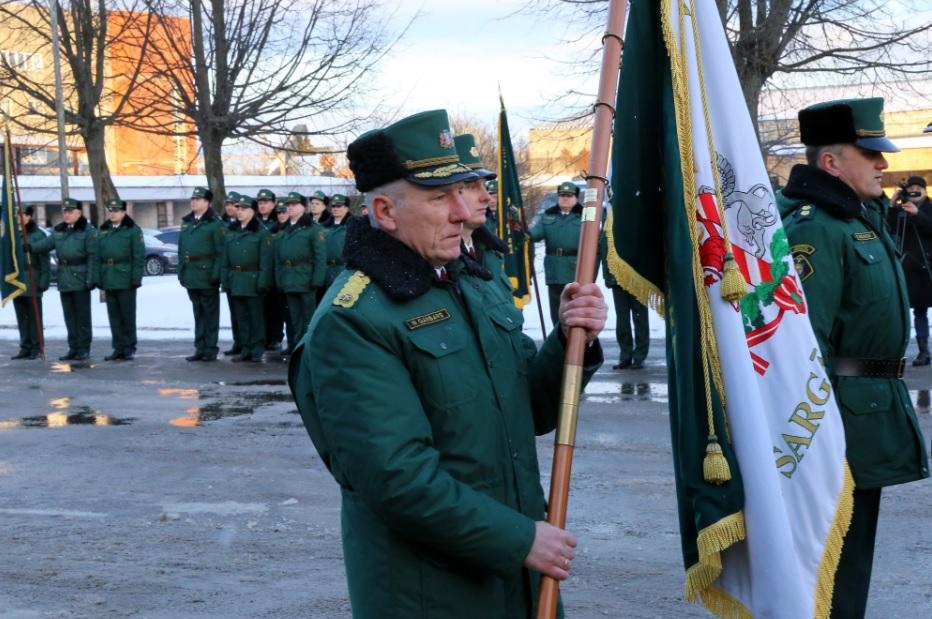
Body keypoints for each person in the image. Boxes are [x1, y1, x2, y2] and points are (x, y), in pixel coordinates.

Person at [288, 109, 607, 618]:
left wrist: (570, 338)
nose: (463, 212)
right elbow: (397, 478)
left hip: (516, 576)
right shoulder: (354, 320)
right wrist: (520, 538)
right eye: (440, 197)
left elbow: (531, 407)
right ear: (386, 213)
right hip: (432, 592)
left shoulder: (473, 284)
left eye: (461, 192)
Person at [778, 97, 929, 618]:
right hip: (835, 424)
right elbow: (803, 349)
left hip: (866, 414)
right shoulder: (816, 227)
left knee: (851, 569)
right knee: (833, 578)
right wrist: (814, 437)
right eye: (872, 154)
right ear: (831, 163)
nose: (885, 164)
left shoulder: (855, 218)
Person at [30, 198, 98, 361]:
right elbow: (46, 244)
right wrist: (30, 247)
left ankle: (83, 348)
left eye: (70, 212)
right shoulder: (60, 231)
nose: (66, 215)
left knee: (82, 317)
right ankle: (73, 348)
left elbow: (93, 257)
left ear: (79, 213)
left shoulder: (88, 231)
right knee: (69, 316)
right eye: (65, 212)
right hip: (64, 278)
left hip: (81, 278)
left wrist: (91, 279)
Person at [454, 133, 512, 296]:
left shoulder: (487, 250)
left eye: (484, 186)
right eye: (473, 187)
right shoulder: (443, 263)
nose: (486, 197)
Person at [221, 194, 273, 363]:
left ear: (253, 211)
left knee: (255, 317)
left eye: (244, 209)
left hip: (253, 278)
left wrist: (262, 281)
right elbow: (225, 259)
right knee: (241, 317)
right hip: (236, 279)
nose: (240, 212)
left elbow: (266, 261)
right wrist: (226, 280)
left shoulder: (261, 233)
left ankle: (257, 348)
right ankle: (245, 348)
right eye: (239, 208)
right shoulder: (232, 231)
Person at [887, 175, 932, 366]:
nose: (914, 190)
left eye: (918, 187)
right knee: (918, 311)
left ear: (925, 190)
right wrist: (891, 205)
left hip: (929, 264)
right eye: (911, 188)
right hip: (910, 267)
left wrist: (917, 214)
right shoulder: (901, 209)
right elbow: (890, 228)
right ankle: (924, 352)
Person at [275, 192, 326, 353]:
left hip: (305, 278)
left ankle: (308, 347)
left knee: (308, 317)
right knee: (293, 317)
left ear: (303, 207)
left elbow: (319, 256)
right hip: (289, 278)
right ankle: (296, 345)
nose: (290, 207)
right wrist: (279, 279)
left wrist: (317, 279)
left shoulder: (312, 229)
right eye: (288, 205)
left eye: (294, 205)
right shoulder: (285, 230)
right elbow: (279, 257)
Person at [178, 186, 223, 362]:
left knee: (210, 314)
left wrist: (216, 274)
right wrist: (181, 271)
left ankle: (210, 348)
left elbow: (220, 251)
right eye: (193, 199)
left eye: (198, 199)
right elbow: (182, 248)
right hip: (191, 274)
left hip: (207, 274)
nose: (194, 202)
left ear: (207, 202)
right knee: (198, 313)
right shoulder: (188, 222)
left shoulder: (215, 223)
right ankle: (200, 347)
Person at [97, 198, 145, 361]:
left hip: (125, 277)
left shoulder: (132, 230)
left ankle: (129, 347)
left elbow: (138, 256)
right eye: (111, 210)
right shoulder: (104, 230)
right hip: (109, 276)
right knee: (114, 316)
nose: (113, 213)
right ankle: (118, 347)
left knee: (127, 315)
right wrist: (99, 277)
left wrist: (136, 278)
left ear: (124, 212)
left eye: (116, 210)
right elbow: (98, 255)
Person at [530, 182, 582, 326]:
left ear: (576, 198)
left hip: (575, 270)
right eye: (562, 195)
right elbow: (533, 235)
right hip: (555, 271)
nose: (565, 198)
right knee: (557, 312)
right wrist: (519, 227)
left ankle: (575, 345)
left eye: (569, 195)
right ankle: (558, 343)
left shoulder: (584, 216)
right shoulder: (548, 216)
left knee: (575, 311)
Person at [599, 231, 649, 370]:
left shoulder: (636, 217)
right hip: (617, 276)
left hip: (637, 275)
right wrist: (606, 275)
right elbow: (604, 249)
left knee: (640, 317)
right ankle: (625, 355)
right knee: (622, 318)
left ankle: (640, 356)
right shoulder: (608, 218)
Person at [11, 205, 50, 360]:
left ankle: (36, 346)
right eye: (18, 215)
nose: (21, 218)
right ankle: (25, 346)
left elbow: (44, 261)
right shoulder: (13, 234)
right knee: (21, 316)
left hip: (32, 277)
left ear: (29, 216)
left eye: (24, 214)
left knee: (34, 316)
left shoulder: (38, 235)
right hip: (17, 279)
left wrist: (44, 280)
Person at [256, 188, 285, 352]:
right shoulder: (256, 222)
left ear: (273, 204)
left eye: (266, 202)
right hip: (260, 270)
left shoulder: (280, 220)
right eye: (260, 202)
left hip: (275, 271)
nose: (262, 205)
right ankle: (264, 337)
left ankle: (275, 337)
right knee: (262, 307)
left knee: (275, 308)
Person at [220, 191, 243, 356]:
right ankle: (238, 342)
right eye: (227, 204)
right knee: (234, 312)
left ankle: (249, 343)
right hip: (230, 273)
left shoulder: (245, 225)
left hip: (245, 273)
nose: (229, 207)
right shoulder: (222, 224)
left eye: (233, 204)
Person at [322, 193, 352, 293]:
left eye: (339, 206)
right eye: (333, 206)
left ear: (346, 208)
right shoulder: (324, 227)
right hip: (326, 270)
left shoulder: (353, 226)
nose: (335, 208)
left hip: (344, 269)